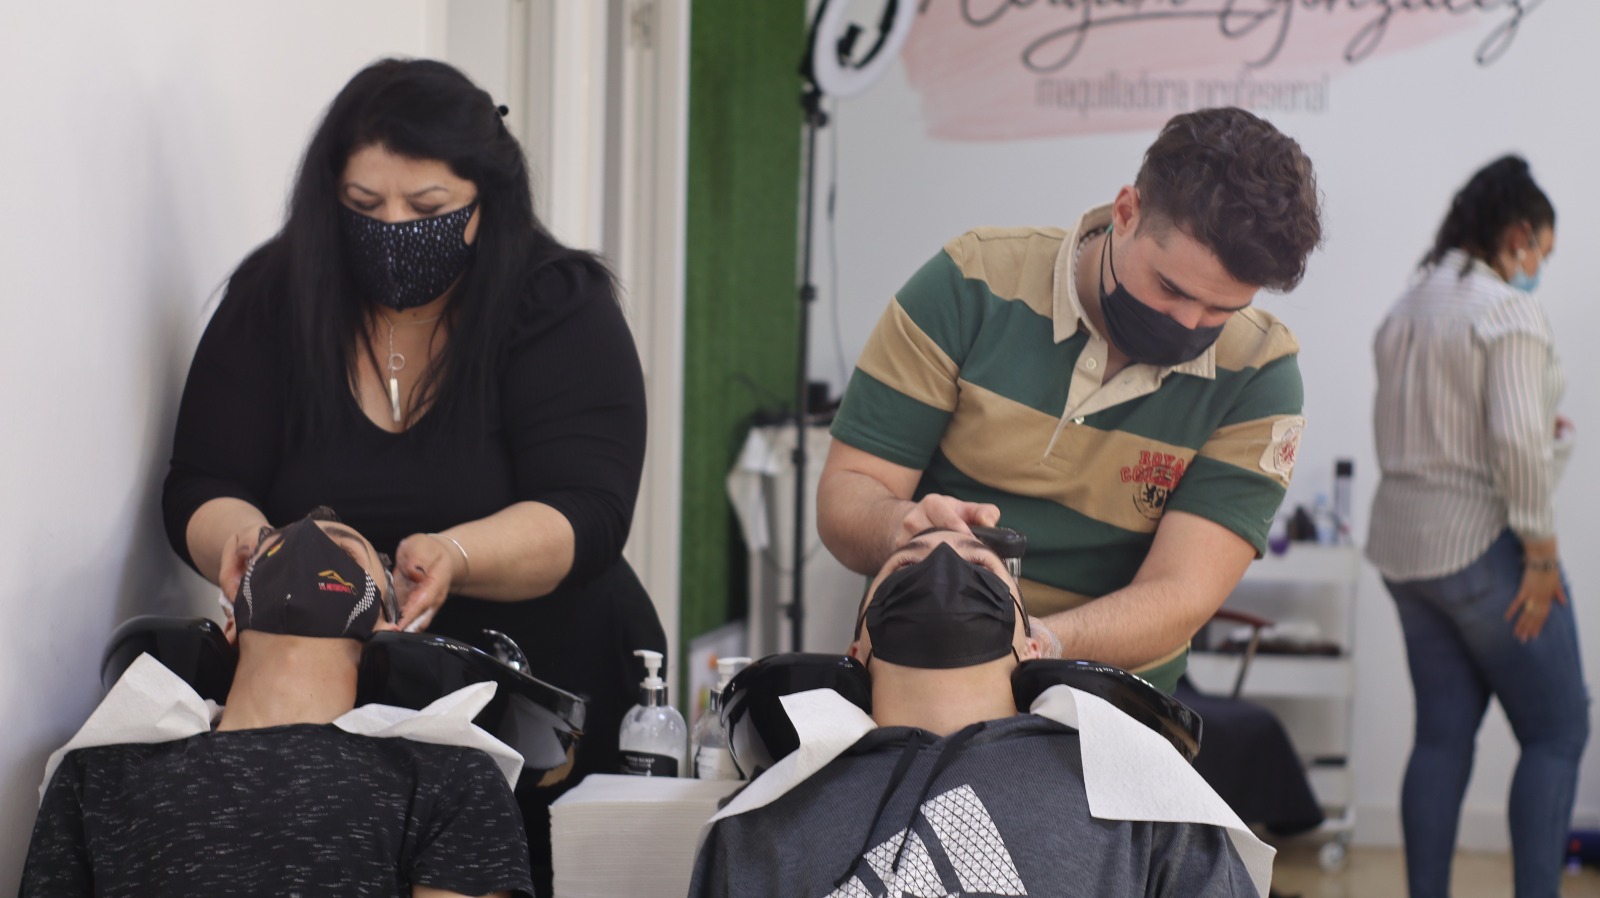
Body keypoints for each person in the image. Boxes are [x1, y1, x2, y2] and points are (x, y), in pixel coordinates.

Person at [159, 59, 665, 894]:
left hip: (546, 697)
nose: (392, 228)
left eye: (427, 209)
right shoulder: (274, 299)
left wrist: (459, 555)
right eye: (364, 206)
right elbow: (200, 482)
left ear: (484, 200)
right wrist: (246, 545)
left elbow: (590, 509)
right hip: (332, 721)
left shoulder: (557, 304)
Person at [817, 106, 1323, 693]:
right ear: (1126, 213)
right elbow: (847, 496)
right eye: (1170, 288)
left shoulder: (1260, 375)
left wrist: (1032, 645)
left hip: (1108, 704)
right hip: (920, 680)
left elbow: (1181, 594)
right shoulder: (971, 285)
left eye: (1221, 310)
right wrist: (901, 527)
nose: (1187, 325)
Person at [688, 530, 1270, 898]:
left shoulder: (1140, 798)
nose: (943, 559)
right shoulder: (759, 824)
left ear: (1034, 646)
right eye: (906, 564)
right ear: (856, 650)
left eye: (982, 566)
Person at [20, 512, 535, 898]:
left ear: (389, 629)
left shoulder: (451, 781)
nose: (309, 539)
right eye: (276, 547)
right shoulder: (100, 774)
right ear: (230, 623)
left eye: (346, 551)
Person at [1368, 155, 1587, 898]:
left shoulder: (1407, 305)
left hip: (1406, 555)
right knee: (1558, 732)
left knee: (1440, 737)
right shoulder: (1506, 310)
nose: (1539, 270)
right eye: (1542, 252)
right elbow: (1516, 442)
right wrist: (1542, 556)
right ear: (1518, 234)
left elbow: (1439, 426)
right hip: (1482, 549)